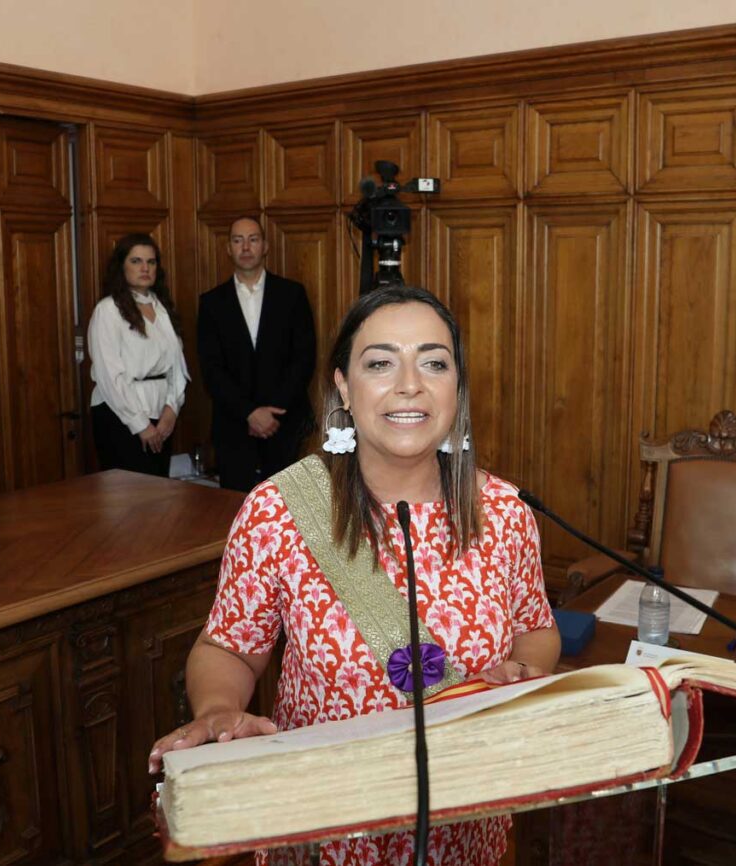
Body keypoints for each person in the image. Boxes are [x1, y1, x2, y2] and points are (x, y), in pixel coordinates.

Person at [149, 285, 561, 865]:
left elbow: (536, 628)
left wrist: (527, 671)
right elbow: (231, 648)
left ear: (457, 387)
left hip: (468, 832)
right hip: (326, 832)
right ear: (343, 383)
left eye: (434, 363)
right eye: (381, 363)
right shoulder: (280, 510)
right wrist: (218, 709)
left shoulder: (505, 513)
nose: (409, 384)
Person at [197, 216, 316, 491]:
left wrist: (270, 414)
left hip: (284, 424)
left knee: (287, 510)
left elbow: (303, 359)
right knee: (233, 508)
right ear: (228, 248)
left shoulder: (292, 294)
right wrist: (249, 413)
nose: (246, 247)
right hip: (233, 426)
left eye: (253, 239)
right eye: (238, 240)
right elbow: (211, 369)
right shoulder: (212, 303)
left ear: (265, 246)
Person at [88, 233, 189, 476]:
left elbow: (177, 367)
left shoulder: (162, 308)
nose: (145, 268)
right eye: (136, 261)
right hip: (121, 416)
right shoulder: (108, 311)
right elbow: (109, 376)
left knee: (159, 499)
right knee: (127, 499)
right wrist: (140, 425)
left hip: (161, 415)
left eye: (151, 262)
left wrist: (171, 410)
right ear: (121, 266)